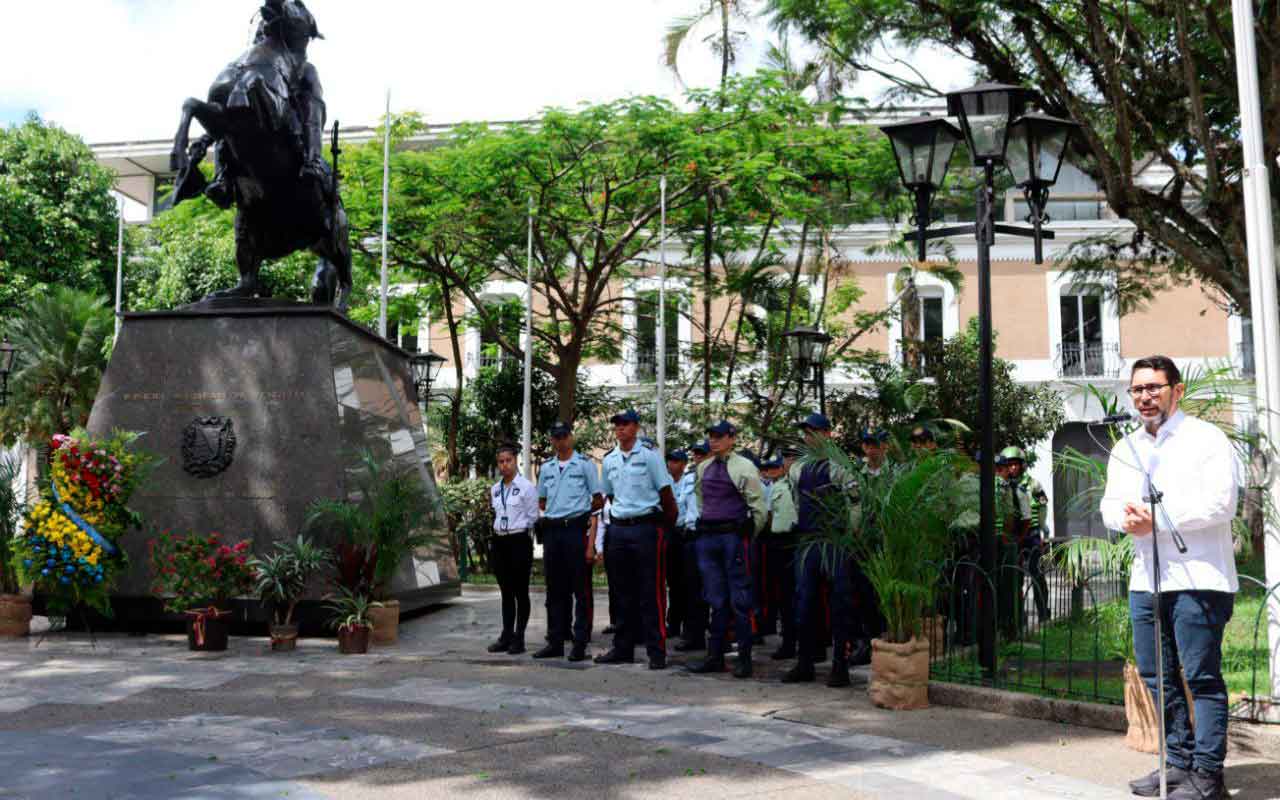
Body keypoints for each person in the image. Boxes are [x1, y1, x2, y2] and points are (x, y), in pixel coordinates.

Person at [1101, 356, 1238, 800]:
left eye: (1153, 388)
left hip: (1199, 577)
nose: (1144, 397)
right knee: (1156, 674)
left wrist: (1156, 519)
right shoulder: (1127, 448)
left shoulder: (1206, 439)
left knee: (1200, 677)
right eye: (1137, 389)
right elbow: (1108, 505)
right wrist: (1127, 518)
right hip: (1147, 579)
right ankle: (1177, 764)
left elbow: (1220, 503)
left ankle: (1208, 773)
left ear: (1175, 390)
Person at [595, 410, 678, 669]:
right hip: (619, 529)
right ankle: (623, 648)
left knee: (650, 592)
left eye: (625, 424)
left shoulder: (650, 457)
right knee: (620, 592)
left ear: (636, 427)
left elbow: (667, 496)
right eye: (616, 425)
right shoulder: (610, 460)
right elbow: (608, 495)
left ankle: (656, 651)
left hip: (646, 528)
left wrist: (663, 528)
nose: (619, 428)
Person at [689, 421, 767, 679]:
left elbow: (759, 508)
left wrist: (747, 535)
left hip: (733, 537)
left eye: (720, 436)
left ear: (732, 439)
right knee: (715, 598)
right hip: (709, 537)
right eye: (711, 436)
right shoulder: (703, 467)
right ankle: (715, 656)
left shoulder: (744, 467)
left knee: (739, 600)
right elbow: (701, 499)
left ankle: (744, 659)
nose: (714, 440)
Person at [784, 412, 856, 688]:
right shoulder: (798, 468)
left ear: (827, 434)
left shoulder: (839, 466)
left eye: (814, 431)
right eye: (806, 432)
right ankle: (805, 664)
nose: (808, 436)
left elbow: (855, 501)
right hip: (807, 541)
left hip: (834, 542)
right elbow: (795, 500)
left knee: (840, 606)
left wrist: (851, 534)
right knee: (803, 605)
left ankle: (840, 666)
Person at [534, 422, 604, 662]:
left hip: (575, 530)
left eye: (564, 436)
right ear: (552, 440)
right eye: (556, 437)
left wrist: (579, 512)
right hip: (553, 531)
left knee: (580, 590)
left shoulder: (584, 464)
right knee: (554, 590)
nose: (560, 441)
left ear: (571, 438)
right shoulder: (546, 468)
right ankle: (554, 641)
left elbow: (597, 499)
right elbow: (542, 501)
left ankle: (580, 643)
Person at [486, 444, 538, 655]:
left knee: (520, 591)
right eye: (501, 461)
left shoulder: (526, 487)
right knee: (506, 592)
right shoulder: (495, 489)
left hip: (519, 541)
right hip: (501, 542)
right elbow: (496, 514)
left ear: (516, 461)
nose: (505, 465)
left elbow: (533, 516)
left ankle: (520, 637)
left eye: (508, 460)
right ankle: (506, 635)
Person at [1001, 446, 1051, 624]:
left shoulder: (1033, 484)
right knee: (1015, 578)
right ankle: (1018, 618)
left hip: (1032, 534)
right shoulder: (1002, 484)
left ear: (1023, 465)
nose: (1013, 468)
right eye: (1010, 465)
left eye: (1016, 464)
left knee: (1036, 573)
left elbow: (1043, 506)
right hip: (1013, 536)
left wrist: (1044, 528)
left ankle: (1044, 614)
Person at [761, 452, 799, 660]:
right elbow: (768, 516)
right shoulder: (777, 486)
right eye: (787, 458)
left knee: (803, 596)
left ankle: (814, 644)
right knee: (784, 596)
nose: (789, 462)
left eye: (794, 458)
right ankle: (789, 643)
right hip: (779, 543)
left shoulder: (802, 484)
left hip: (799, 541)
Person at [675, 440, 711, 652]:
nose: (698, 458)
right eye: (696, 454)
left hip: (709, 535)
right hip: (689, 537)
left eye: (702, 454)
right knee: (691, 590)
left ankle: (719, 637)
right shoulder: (689, 479)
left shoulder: (717, 477)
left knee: (714, 589)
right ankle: (694, 636)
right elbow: (682, 508)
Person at [994, 452, 1032, 641]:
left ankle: (1014, 624)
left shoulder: (1019, 492)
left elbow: (1026, 520)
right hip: (998, 544)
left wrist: (1016, 541)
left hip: (1012, 545)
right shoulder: (991, 487)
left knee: (1014, 583)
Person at [665, 450, 693, 643]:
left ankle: (687, 626)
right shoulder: (665, 482)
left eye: (676, 461)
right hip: (670, 535)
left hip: (685, 534)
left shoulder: (689, 480)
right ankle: (673, 624)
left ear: (683, 464)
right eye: (670, 461)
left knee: (687, 583)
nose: (671, 464)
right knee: (673, 582)